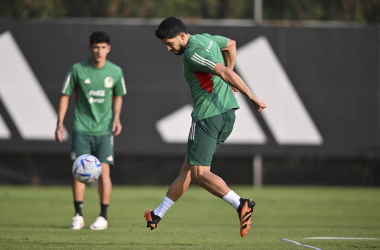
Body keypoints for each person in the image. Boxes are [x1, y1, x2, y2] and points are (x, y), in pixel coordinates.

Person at [144, 17, 266, 237]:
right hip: (227, 114)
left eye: (170, 43)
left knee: (200, 174)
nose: (169, 48)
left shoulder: (192, 53)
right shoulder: (207, 39)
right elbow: (231, 44)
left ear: (182, 35)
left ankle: (241, 204)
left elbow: (225, 73)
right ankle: (157, 214)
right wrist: (228, 82)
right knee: (189, 168)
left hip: (207, 116)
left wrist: (251, 96)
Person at [55, 31, 127, 230]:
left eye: (103, 47)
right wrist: (60, 123)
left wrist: (117, 118)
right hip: (81, 128)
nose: (99, 51)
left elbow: (119, 95)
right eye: (96, 47)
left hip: (104, 131)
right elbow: (65, 94)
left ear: (108, 49)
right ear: (90, 48)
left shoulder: (115, 71)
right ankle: (78, 215)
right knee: (78, 172)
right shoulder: (78, 69)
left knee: (104, 173)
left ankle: (103, 217)